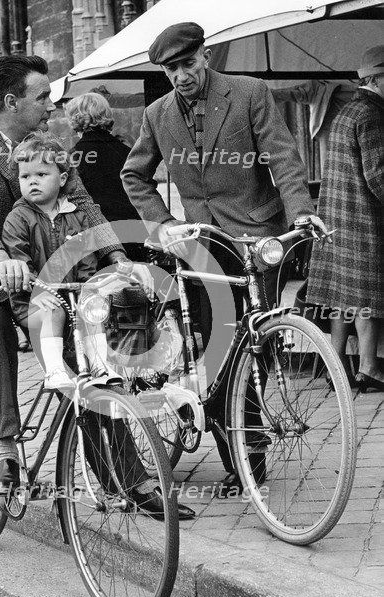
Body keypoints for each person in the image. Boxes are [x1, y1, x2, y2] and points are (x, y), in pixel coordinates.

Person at [0, 55, 194, 518]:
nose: (52, 106)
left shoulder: (52, 145)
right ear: (11, 102)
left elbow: (88, 207)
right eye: (42, 98)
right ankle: (5, 445)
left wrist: (119, 257)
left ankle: (128, 478)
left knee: (86, 357)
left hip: (50, 274)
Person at [121, 22, 327, 492]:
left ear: (206, 56)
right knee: (220, 343)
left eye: (187, 64)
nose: (181, 76)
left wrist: (300, 213)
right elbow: (134, 176)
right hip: (202, 246)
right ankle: (241, 443)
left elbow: (282, 156)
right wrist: (165, 224)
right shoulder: (157, 115)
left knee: (259, 342)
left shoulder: (249, 92)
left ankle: (242, 425)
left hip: (257, 239)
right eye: (171, 69)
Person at [2, 131, 120, 389]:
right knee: (51, 308)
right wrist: (35, 290)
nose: (32, 182)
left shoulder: (77, 216)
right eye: (25, 176)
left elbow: (86, 261)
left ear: (63, 178)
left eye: (41, 175)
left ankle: (99, 363)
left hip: (71, 295)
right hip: (32, 299)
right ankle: (54, 371)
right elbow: (18, 260)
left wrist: (89, 287)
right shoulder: (18, 218)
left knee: (93, 304)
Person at [307, 45, 384, 392]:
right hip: (362, 218)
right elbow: (378, 174)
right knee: (368, 296)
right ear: (379, 79)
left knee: (343, 296)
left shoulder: (348, 111)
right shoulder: (372, 114)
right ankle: (369, 368)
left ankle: (335, 364)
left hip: (338, 217)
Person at [65, 92, 146, 262]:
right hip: (134, 232)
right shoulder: (128, 152)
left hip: (98, 239)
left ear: (75, 118)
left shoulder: (73, 157)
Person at [271, 80, 356, 173]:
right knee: (331, 172)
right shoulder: (318, 86)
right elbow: (291, 93)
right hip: (331, 127)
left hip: (357, 123)